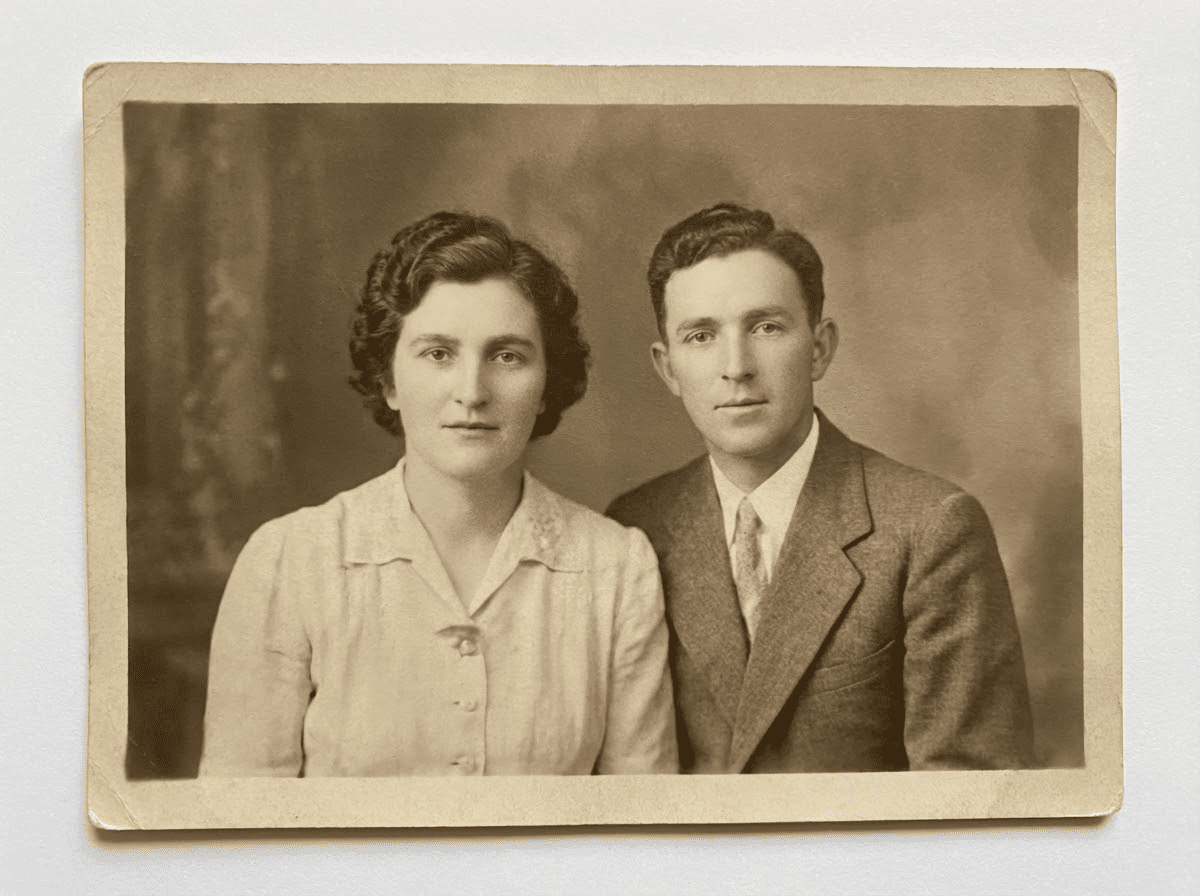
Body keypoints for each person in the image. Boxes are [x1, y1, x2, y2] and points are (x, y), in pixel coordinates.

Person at [200, 212, 677, 777]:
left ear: (548, 380)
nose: (472, 392)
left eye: (508, 356)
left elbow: (638, 830)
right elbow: (241, 831)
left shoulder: (617, 569)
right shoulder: (289, 561)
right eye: (438, 354)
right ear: (388, 381)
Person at [608, 203, 1035, 774]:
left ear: (819, 348)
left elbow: (968, 801)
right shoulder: (636, 527)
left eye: (766, 327)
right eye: (701, 335)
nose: (736, 366)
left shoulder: (931, 528)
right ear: (667, 368)